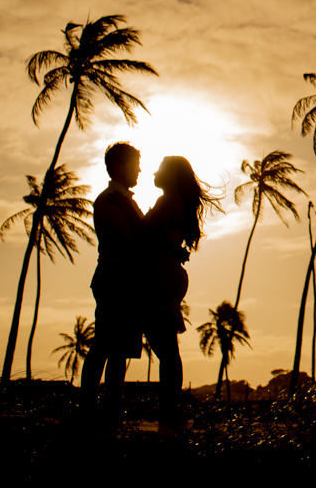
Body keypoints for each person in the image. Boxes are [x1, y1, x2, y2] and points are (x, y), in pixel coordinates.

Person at [142, 155, 216, 429]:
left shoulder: (168, 201)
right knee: (165, 345)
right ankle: (170, 405)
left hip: (161, 276)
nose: (154, 171)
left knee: (165, 345)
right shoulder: (176, 202)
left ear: (171, 175)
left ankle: (169, 407)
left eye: (160, 168)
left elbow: (146, 237)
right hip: (168, 274)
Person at [80, 142, 144, 422]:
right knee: (105, 345)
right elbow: (129, 240)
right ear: (119, 167)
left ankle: (109, 407)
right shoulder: (110, 201)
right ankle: (90, 407)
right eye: (135, 164)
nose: (139, 170)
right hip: (114, 279)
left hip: (122, 280)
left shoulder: (121, 200)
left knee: (117, 350)